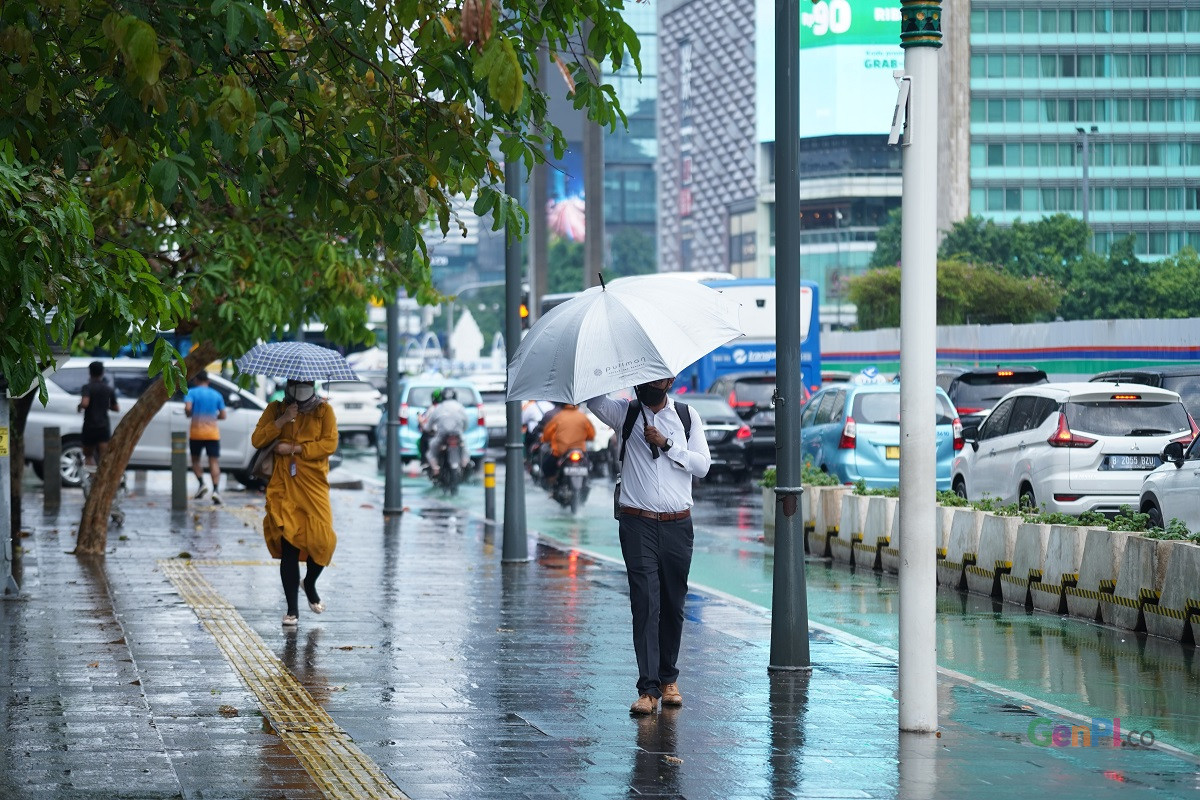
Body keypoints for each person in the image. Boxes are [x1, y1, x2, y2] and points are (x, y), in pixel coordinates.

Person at [588, 376, 710, 715]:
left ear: (669, 380)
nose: (646, 384)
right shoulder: (625, 413)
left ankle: (669, 679)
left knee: (672, 604)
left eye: (653, 378)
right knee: (645, 603)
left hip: (677, 525)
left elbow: (702, 466)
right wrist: (611, 369)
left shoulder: (686, 416)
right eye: (641, 378)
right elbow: (595, 401)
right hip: (637, 522)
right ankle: (648, 689)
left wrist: (669, 444)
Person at [251, 379, 339, 627]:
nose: (301, 387)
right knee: (288, 541)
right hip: (283, 485)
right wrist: (282, 420)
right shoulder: (275, 409)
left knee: (323, 540)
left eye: (305, 383)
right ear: (288, 385)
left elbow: (329, 443)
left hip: (314, 483)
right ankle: (292, 610)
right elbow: (257, 439)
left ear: (313, 384)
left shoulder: (324, 411)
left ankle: (309, 583)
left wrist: (296, 449)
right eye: (296, 383)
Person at [184, 370, 227, 504]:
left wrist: (192, 414)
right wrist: (214, 417)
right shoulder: (217, 395)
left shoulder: (191, 392)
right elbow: (223, 415)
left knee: (195, 460)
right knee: (213, 462)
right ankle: (216, 491)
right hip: (212, 434)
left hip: (196, 433)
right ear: (208, 381)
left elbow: (187, 408)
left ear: (196, 380)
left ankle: (202, 483)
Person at [77, 361, 119, 470]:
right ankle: (102, 478)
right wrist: (105, 405)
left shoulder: (87, 387)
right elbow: (116, 408)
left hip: (90, 426)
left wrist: (79, 406)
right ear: (102, 373)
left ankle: (92, 478)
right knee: (104, 457)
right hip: (103, 426)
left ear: (90, 372)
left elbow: (85, 403)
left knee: (88, 455)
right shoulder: (108, 389)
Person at [539, 403, 595, 483]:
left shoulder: (558, 417)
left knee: (546, 467)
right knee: (588, 464)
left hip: (561, 452)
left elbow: (547, 434)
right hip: (580, 450)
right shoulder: (583, 417)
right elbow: (591, 435)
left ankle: (553, 485)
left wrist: (545, 439)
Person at [423, 387, 469, 476]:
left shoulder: (438, 408)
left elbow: (428, 427)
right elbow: (466, 424)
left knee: (431, 451)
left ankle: (435, 468)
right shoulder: (460, 407)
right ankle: (464, 463)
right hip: (458, 435)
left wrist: (427, 428)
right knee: (465, 448)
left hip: (442, 436)